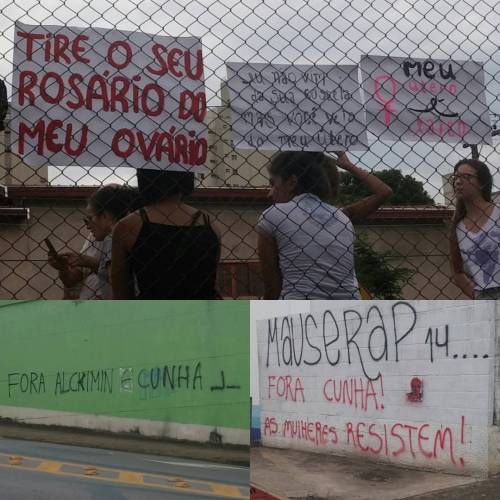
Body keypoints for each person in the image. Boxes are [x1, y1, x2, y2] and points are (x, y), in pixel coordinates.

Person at [257, 151, 392, 299]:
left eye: (273, 184)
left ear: (291, 182)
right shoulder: (341, 217)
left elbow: (272, 287)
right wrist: (349, 166)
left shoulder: (274, 214)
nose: (270, 194)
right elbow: (384, 191)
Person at [112, 169, 221, 299]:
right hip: (202, 314)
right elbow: (213, 284)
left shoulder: (128, 226)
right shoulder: (210, 224)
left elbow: (121, 293)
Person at [49, 184, 139, 300]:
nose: (87, 225)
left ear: (105, 216)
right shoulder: (132, 233)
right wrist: (64, 268)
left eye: (90, 219)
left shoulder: (112, 239)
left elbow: (117, 285)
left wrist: (89, 262)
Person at [449, 159, 500, 299]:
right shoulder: (457, 228)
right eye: (456, 177)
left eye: (466, 177)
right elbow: (458, 273)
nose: (458, 182)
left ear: (482, 183)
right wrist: (478, 296)